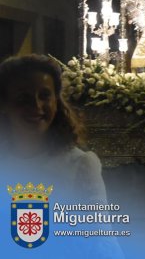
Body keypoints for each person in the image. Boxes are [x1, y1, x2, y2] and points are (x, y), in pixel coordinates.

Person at [0, 55, 122, 258]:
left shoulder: (80, 165)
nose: (37, 106)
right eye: (24, 98)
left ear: (57, 101)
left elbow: (100, 239)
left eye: (45, 95)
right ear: (4, 105)